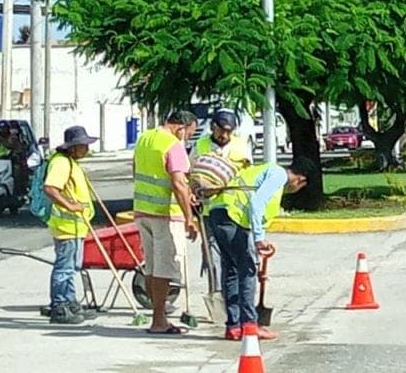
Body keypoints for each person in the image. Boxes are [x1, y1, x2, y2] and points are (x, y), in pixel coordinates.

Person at [207, 158, 314, 341]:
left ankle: (233, 326)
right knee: (247, 271)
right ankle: (249, 324)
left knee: (231, 270)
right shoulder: (278, 175)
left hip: (217, 214)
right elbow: (256, 203)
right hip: (232, 217)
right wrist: (259, 239)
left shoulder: (262, 170)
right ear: (300, 180)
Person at [133, 110, 200, 335]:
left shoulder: (145, 138)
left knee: (151, 268)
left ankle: (158, 316)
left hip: (142, 211)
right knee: (163, 268)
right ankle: (159, 320)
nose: (187, 139)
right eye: (189, 134)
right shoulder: (173, 145)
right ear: (181, 127)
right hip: (164, 214)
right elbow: (179, 184)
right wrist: (189, 218)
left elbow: (136, 170)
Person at [190, 109, 253, 293]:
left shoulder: (241, 145)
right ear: (213, 127)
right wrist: (193, 191)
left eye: (229, 131)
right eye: (221, 130)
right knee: (213, 256)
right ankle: (217, 294)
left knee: (240, 256)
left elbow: (249, 175)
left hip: (235, 212)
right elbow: (189, 172)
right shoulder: (201, 144)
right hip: (209, 210)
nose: (224, 135)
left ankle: (238, 297)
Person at [42, 125, 99, 325]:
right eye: (84, 145)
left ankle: (70, 301)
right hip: (66, 226)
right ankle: (59, 306)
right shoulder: (61, 163)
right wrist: (70, 205)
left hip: (76, 227)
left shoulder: (71, 162)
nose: (87, 149)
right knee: (64, 268)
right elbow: (50, 188)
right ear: (73, 147)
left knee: (72, 267)